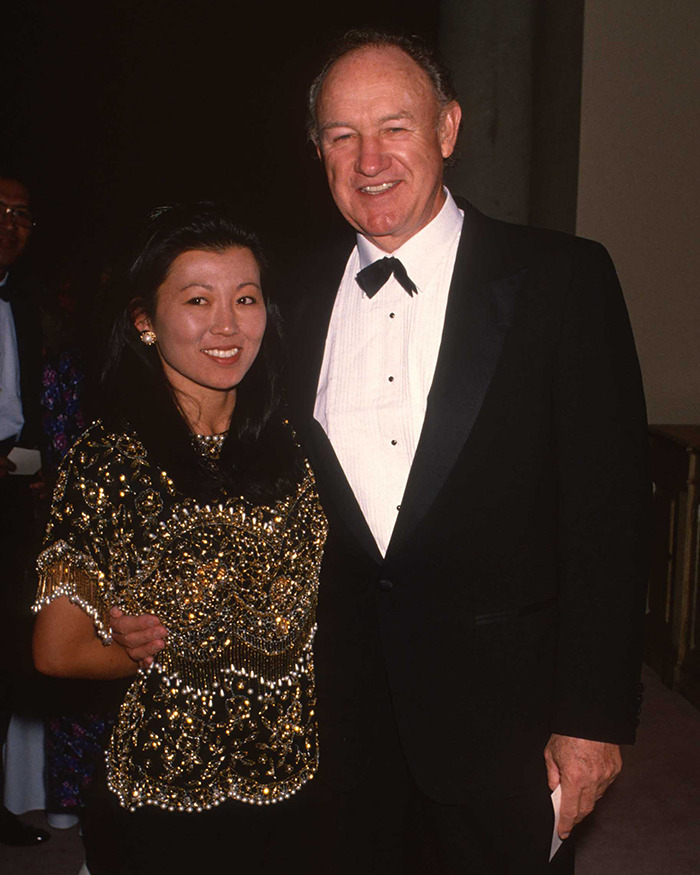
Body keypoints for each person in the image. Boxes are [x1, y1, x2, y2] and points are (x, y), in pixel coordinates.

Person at [112, 30, 651, 874]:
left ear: (448, 129)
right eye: (340, 136)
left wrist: (594, 715)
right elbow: (215, 449)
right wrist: (128, 585)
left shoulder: (562, 279)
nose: (369, 159)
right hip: (333, 719)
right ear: (317, 151)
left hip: (505, 719)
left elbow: (607, 514)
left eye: (394, 127)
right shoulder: (284, 293)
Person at [32, 203, 327, 874]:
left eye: (245, 298)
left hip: (298, 782)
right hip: (164, 795)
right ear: (144, 319)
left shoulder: (298, 444)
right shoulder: (108, 458)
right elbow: (55, 648)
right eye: (198, 300)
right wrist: (131, 648)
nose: (227, 325)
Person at [0, 171, 50, 846]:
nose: (11, 225)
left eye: (21, 214)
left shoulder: (27, 303)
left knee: (11, 647)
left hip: (13, 491)